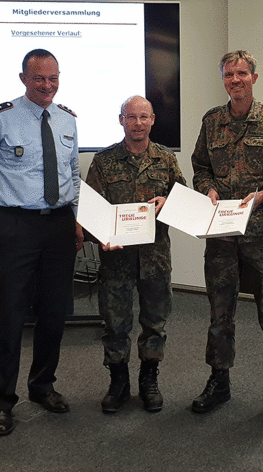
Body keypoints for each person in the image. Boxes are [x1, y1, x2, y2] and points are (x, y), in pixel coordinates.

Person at [0, 48, 82, 436]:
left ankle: (42, 386)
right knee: (8, 316)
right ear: (23, 79)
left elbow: (73, 175)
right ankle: (1, 401)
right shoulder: (0, 118)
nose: (46, 85)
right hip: (11, 225)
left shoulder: (67, 119)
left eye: (53, 78)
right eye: (38, 79)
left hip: (59, 225)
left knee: (53, 314)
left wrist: (77, 220)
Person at [190, 50, 263, 429]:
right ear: (223, 79)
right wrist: (206, 189)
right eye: (228, 74)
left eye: (242, 73)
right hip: (221, 236)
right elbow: (200, 167)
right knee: (219, 314)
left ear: (254, 78)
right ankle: (219, 382)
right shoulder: (212, 120)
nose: (235, 80)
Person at [84, 95, 186, 414]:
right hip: (116, 261)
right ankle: (118, 382)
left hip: (155, 259)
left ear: (153, 120)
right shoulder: (103, 161)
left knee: (155, 323)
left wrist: (170, 205)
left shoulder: (167, 161)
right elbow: (90, 213)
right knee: (115, 324)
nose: (138, 123)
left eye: (144, 117)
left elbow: (184, 206)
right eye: (131, 117)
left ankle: (149, 379)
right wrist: (101, 234)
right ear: (121, 120)